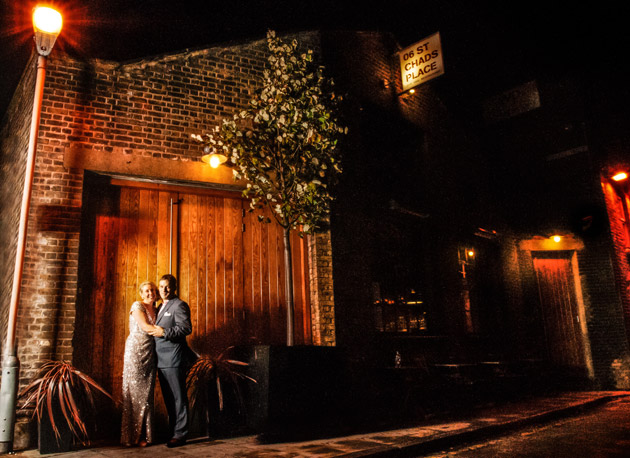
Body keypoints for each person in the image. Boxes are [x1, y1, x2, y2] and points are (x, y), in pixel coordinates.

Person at [149, 274, 194, 448]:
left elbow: (185, 328)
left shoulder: (179, 305)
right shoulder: (160, 306)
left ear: (173, 287)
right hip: (161, 359)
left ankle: (180, 434)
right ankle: (173, 431)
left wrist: (165, 332)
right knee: (169, 399)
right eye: (161, 287)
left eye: (167, 286)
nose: (164, 290)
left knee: (178, 398)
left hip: (174, 358)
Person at [120, 281, 160, 447]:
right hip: (135, 352)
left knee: (147, 395)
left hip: (150, 353)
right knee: (135, 394)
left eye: (152, 290)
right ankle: (132, 436)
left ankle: (146, 435)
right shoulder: (137, 306)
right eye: (147, 291)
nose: (150, 293)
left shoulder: (157, 309)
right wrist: (166, 332)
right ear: (142, 294)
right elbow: (145, 327)